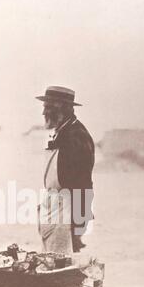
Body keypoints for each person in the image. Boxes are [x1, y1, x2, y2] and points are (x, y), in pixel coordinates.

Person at [36, 86, 95, 254]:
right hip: (55, 206)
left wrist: (80, 220)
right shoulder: (63, 132)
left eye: (47, 107)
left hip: (66, 209)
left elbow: (83, 181)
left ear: (60, 107)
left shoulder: (76, 135)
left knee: (61, 264)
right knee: (51, 260)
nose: (43, 113)